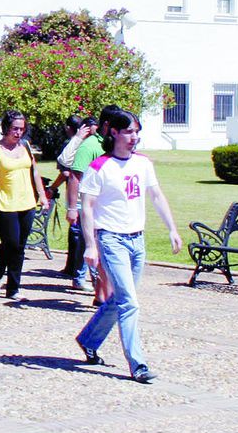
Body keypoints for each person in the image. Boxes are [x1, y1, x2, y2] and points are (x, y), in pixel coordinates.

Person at [76, 109, 183, 384]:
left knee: (122, 299)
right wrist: (90, 245)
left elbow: (156, 195)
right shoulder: (100, 167)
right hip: (111, 239)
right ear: (113, 133)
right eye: (128, 132)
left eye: (137, 132)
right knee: (130, 302)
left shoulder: (143, 164)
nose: (134, 137)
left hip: (137, 239)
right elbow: (86, 207)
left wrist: (172, 229)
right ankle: (138, 364)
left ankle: (89, 339)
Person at [0, 110, 46, 299]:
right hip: (3, 204)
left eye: (21, 129)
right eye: (15, 129)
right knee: (11, 243)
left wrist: (41, 194)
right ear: (6, 128)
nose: (18, 133)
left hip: (26, 203)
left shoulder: (25, 146)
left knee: (19, 246)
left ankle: (13, 288)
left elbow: (34, 172)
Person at [63, 106, 118, 291]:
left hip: (104, 205)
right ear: (107, 124)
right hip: (87, 204)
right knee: (91, 242)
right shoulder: (90, 146)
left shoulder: (111, 145)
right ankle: (96, 286)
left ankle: (99, 288)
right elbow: (74, 176)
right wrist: (72, 207)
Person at [48, 116, 96, 287]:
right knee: (81, 236)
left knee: (83, 237)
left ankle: (81, 275)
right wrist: (77, 139)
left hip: (95, 199)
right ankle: (81, 276)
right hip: (80, 200)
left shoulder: (101, 145)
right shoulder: (79, 145)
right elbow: (64, 163)